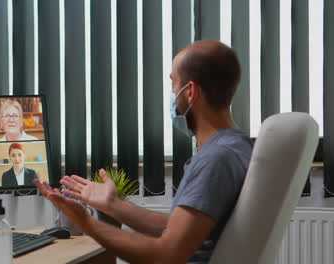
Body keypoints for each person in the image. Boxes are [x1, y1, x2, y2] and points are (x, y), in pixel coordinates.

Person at [34, 40, 254, 263]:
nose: (172, 94)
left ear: (190, 92)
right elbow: (177, 229)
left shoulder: (216, 160)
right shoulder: (236, 148)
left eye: (174, 84)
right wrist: (113, 206)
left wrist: (85, 222)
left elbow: (166, 254)